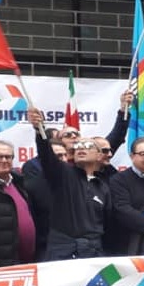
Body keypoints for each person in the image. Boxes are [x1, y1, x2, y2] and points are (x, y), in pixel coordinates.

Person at [29, 108, 111, 260]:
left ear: (100, 156)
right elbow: (47, 156)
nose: (81, 148)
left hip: (94, 252)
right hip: (63, 252)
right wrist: (39, 129)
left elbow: (107, 223)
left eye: (88, 146)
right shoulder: (63, 173)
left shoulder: (103, 187)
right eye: (77, 146)